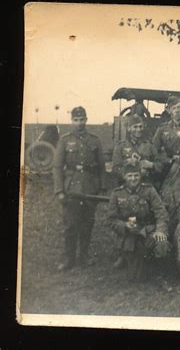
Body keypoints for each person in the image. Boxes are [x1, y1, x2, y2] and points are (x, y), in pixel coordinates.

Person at [53, 106, 106, 271]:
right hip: (72, 187)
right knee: (70, 225)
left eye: (82, 119)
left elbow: (102, 167)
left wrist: (102, 188)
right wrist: (59, 190)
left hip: (90, 188)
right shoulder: (64, 140)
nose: (79, 123)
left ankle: (83, 256)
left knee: (87, 223)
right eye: (76, 120)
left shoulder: (94, 140)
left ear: (86, 120)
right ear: (72, 121)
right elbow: (57, 167)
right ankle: (69, 259)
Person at [106, 161, 170, 282]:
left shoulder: (149, 191)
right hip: (129, 235)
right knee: (136, 278)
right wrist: (124, 225)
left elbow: (161, 212)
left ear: (140, 176)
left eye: (136, 175)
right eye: (130, 176)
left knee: (162, 243)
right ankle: (130, 260)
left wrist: (160, 230)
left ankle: (162, 276)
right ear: (124, 177)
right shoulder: (117, 193)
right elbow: (111, 219)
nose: (133, 178)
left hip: (148, 231)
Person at [112, 114, 162, 185]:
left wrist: (151, 165)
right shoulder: (121, 146)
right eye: (135, 127)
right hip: (127, 186)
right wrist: (127, 165)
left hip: (146, 185)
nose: (138, 130)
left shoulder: (150, 146)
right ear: (129, 128)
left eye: (140, 126)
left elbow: (160, 166)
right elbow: (115, 170)